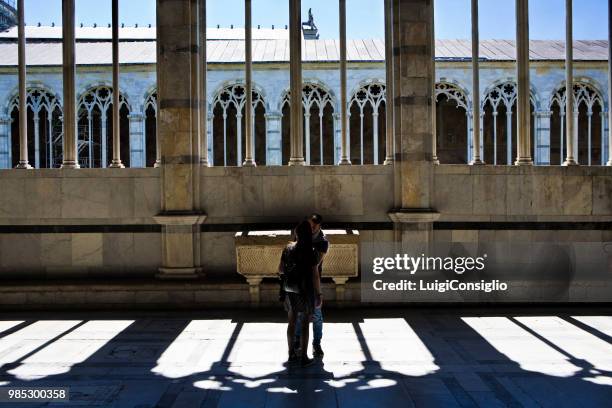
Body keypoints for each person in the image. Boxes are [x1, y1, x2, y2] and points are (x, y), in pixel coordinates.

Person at [278, 220, 322, 367]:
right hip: (305, 290)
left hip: (290, 289)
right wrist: (319, 294)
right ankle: (303, 357)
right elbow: (315, 276)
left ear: (296, 233)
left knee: (291, 321)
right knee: (304, 324)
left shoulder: (288, 248)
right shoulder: (312, 252)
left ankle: (290, 354)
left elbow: (281, 270)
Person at [295, 213, 329, 358]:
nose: (311, 228)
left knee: (317, 316)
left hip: (313, 283)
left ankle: (316, 343)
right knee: (298, 314)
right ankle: (296, 340)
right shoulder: (301, 237)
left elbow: (315, 267)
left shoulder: (322, 242)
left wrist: (318, 293)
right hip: (299, 282)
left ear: (319, 226)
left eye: (314, 226)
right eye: (309, 225)